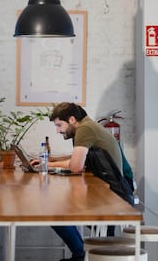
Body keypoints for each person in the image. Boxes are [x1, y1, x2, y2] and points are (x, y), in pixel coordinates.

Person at [43, 102, 134, 261]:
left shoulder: (85, 129)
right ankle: (88, 252)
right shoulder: (86, 126)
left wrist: (49, 164)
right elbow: (79, 161)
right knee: (59, 210)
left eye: (59, 125)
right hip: (110, 190)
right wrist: (48, 163)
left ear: (72, 119)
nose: (58, 131)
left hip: (115, 195)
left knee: (54, 213)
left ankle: (81, 255)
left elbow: (76, 166)